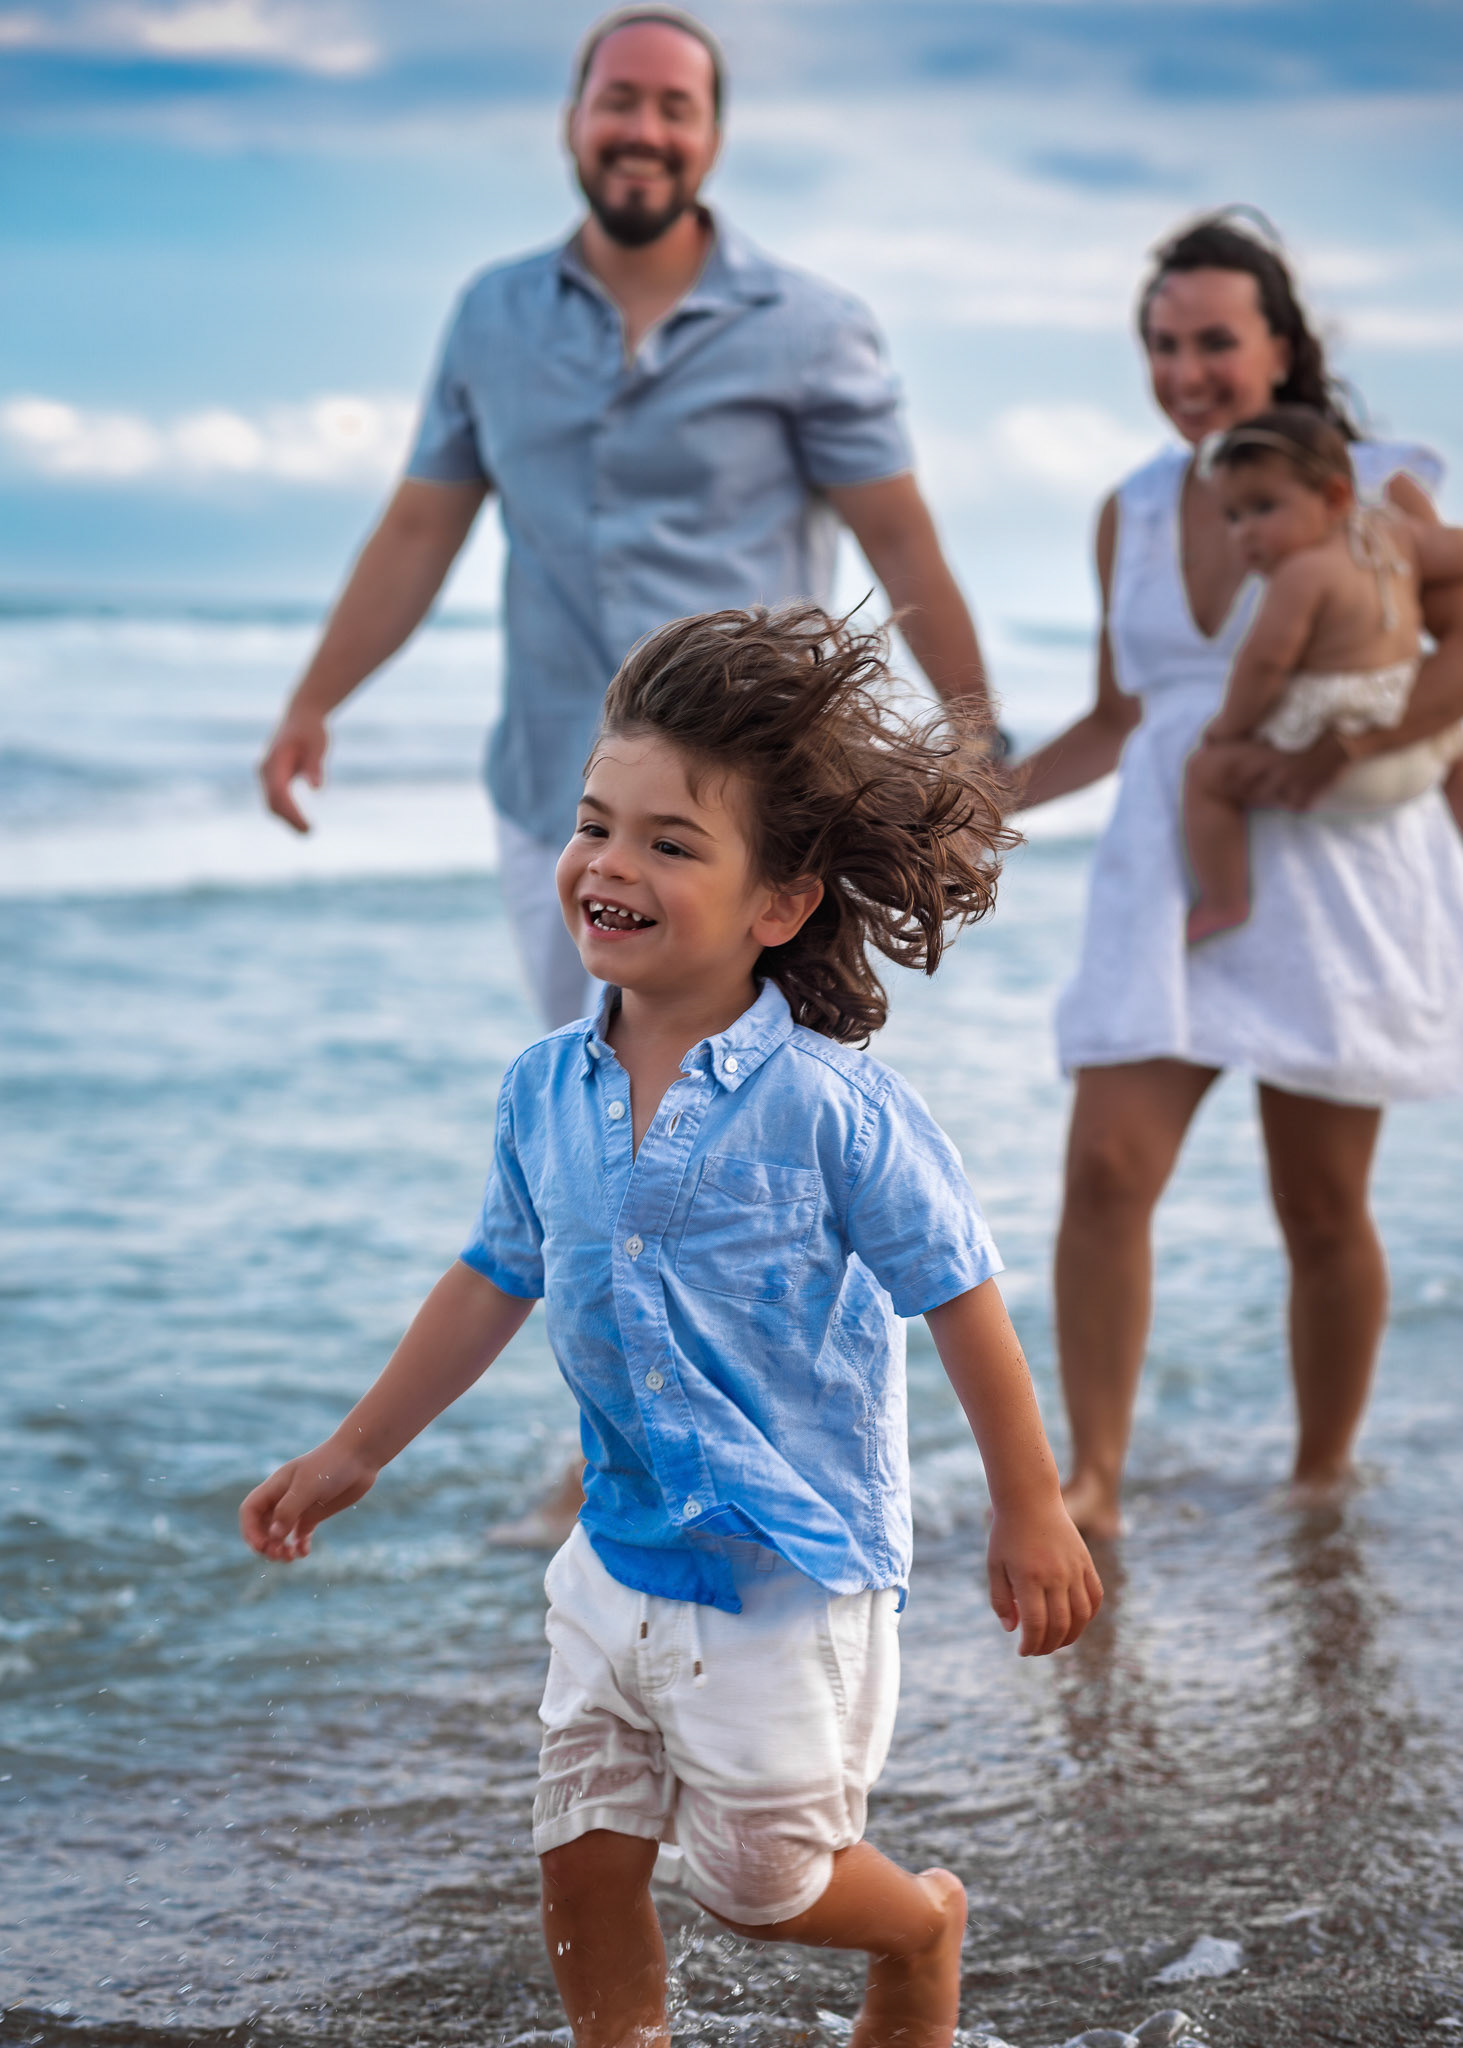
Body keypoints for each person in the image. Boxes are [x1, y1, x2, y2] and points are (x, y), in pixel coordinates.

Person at [241, 603, 1100, 2048]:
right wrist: (355, 1451)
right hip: (616, 1550)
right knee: (580, 1849)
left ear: (778, 903)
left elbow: (955, 1291)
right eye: (594, 823)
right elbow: (489, 1276)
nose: (607, 864)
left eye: (668, 843)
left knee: (761, 1887)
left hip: (788, 1565)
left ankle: (917, 1928)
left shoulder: (827, 1106)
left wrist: (1029, 1506)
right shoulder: (542, 1088)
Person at [257, 5, 993, 1034]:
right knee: (586, 1102)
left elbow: (902, 542)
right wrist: (312, 703)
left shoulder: (809, 329)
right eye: (618, 101)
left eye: (672, 108)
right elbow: (420, 531)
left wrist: (976, 738)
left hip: (744, 815)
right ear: (572, 123)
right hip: (557, 791)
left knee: (749, 1123)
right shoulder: (492, 316)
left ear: (711, 141)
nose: (642, 129)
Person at [1013, 211, 1463, 1541]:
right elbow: (1118, 716)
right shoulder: (1133, 509)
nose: (1184, 371)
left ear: (1279, 344)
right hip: (1165, 870)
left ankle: (1318, 1478)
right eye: (1160, 344)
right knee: (1102, 1168)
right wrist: (963, 807)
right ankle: (1090, 1478)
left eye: (1214, 341)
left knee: (1318, 1204)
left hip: (1336, 869)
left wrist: (1369, 743)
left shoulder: (1371, 487)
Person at [1184, 406, 1463, 942]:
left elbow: (1264, 665)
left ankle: (1223, 900)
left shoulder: (1301, 574)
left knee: (1206, 774)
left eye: (1263, 508)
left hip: (1341, 769)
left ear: (1335, 497)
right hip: (1427, 751)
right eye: (1233, 516)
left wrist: (1229, 731)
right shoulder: (1397, 537)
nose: (1244, 533)